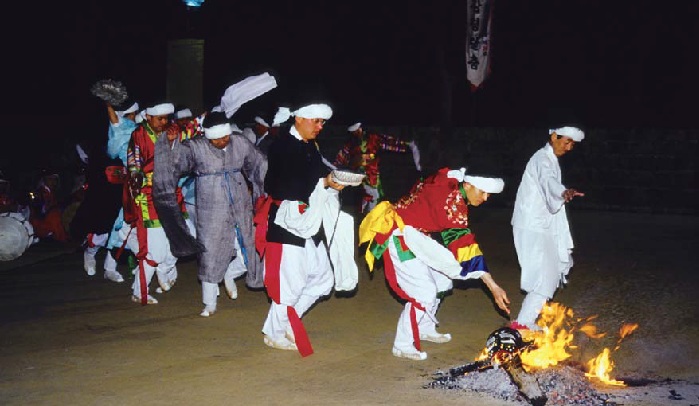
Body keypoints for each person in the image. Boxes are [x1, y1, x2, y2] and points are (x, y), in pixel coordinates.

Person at [359, 167, 510, 360]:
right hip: (400, 236)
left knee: (443, 281)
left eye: (489, 193)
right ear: (469, 184)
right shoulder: (452, 204)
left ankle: (424, 328)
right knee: (424, 293)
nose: (486, 198)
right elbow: (466, 247)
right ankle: (402, 344)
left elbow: (436, 176)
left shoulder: (449, 180)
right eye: (483, 192)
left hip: (416, 234)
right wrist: (493, 286)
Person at [255, 102, 358, 357]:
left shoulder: (311, 146)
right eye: (316, 121)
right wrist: (324, 182)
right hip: (286, 223)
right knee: (289, 283)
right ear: (299, 118)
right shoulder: (281, 146)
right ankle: (273, 333)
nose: (320, 127)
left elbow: (321, 173)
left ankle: (287, 321)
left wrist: (336, 179)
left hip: (310, 222)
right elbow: (279, 185)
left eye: (323, 122)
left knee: (324, 279)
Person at [154, 111, 267, 317]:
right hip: (210, 208)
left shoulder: (239, 142)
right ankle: (209, 303)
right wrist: (171, 145)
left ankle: (230, 275)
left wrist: (266, 188)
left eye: (225, 137)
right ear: (207, 136)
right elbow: (175, 163)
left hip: (240, 204)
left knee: (250, 249)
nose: (223, 141)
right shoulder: (195, 147)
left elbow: (260, 164)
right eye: (217, 139)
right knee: (210, 254)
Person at [510, 126, 585, 331]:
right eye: (566, 141)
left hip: (544, 226)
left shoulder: (551, 159)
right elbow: (548, 181)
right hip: (531, 226)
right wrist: (563, 192)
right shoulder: (541, 159)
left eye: (572, 144)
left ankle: (524, 321)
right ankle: (522, 323)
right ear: (553, 137)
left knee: (550, 275)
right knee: (541, 274)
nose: (569, 147)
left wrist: (562, 193)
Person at [123, 102, 192, 305]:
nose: (163, 122)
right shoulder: (139, 135)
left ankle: (164, 270)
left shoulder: (173, 131)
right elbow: (134, 160)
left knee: (186, 237)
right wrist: (136, 174)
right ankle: (139, 290)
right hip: (150, 197)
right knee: (156, 250)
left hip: (173, 193)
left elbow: (189, 135)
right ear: (148, 117)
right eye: (159, 118)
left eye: (166, 118)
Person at [334, 122, 420, 213]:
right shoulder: (349, 145)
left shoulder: (373, 138)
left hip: (375, 176)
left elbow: (390, 143)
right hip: (359, 181)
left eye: (359, 129)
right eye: (354, 131)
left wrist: (406, 144)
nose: (358, 132)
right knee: (367, 200)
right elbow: (338, 162)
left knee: (375, 197)